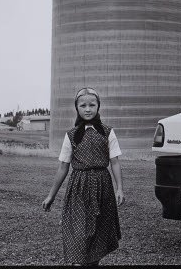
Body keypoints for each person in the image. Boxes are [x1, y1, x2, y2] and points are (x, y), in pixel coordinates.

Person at [42, 87, 124, 266]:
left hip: (103, 188)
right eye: (83, 105)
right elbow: (63, 166)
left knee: (98, 232)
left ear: (98, 106)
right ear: (77, 108)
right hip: (78, 188)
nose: (88, 109)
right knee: (78, 231)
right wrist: (51, 196)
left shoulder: (108, 132)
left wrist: (119, 189)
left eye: (92, 105)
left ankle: (92, 263)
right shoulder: (71, 135)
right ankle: (78, 262)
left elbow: (115, 162)